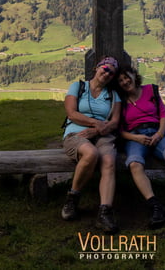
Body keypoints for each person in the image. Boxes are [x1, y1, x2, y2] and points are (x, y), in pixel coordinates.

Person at [116, 66, 165, 227]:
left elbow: (164, 115)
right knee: (134, 164)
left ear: (134, 75)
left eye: (126, 76)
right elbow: (119, 130)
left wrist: (159, 133)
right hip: (135, 137)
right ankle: (156, 207)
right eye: (121, 81)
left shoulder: (151, 91)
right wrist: (136, 137)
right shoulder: (120, 102)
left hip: (157, 132)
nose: (125, 81)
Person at [61, 56, 122, 232]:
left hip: (103, 135)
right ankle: (72, 198)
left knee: (109, 161)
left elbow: (115, 122)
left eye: (112, 72)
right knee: (91, 154)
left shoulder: (113, 95)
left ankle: (105, 212)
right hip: (76, 132)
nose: (108, 73)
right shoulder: (78, 87)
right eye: (106, 68)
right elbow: (72, 113)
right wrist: (95, 123)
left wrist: (96, 130)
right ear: (97, 68)